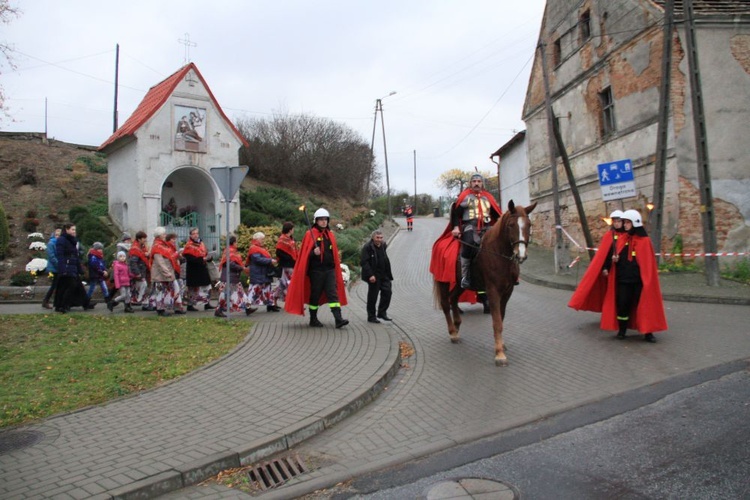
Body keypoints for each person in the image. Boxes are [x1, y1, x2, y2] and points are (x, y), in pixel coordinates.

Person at [569, 209, 667, 343]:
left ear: (634, 223)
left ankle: (648, 333)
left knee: (644, 306)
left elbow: (648, 264)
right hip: (623, 281)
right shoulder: (622, 239)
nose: (624, 225)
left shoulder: (644, 241)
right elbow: (612, 256)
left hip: (639, 282)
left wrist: (647, 281)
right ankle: (622, 331)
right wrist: (614, 261)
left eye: (627, 222)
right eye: (624, 222)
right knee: (623, 306)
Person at [285, 208, 349, 328]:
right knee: (315, 295)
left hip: (329, 270)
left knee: (333, 294)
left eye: (325, 219)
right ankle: (313, 319)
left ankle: (338, 319)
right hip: (316, 271)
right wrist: (313, 253)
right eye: (321, 220)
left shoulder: (330, 235)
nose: (324, 222)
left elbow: (333, 253)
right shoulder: (310, 234)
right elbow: (304, 255)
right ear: (316, 221)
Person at [568, 210, 626, 314]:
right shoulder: (609, 235)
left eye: (618, 221)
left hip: (624, 269)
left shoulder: (627, 235)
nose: (616, 223)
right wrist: (605, 267)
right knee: (613, 293)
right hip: (612, 269)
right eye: (615, 221)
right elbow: (605, 254)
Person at [451, 173, 503, 289]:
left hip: (487, 226)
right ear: (470, 183)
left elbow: (496, 214)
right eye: (474, 181)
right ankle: (466, 276)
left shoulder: (488, 197)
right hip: (470, 226)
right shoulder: (464, 196)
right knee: (469, 244)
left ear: (482, 183)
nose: (476, 183)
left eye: (478, 181)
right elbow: (456, 214)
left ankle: (506, 273)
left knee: (501, 244)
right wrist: (455, 227)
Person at [54, 223, 92, 313]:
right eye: (72, 229)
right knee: (71, 286)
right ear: (67, 230)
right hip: (67, 267)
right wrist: (63, 268)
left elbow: (75, 255)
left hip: (72, 266)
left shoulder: (72, 240)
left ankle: (85, 303)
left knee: (78, 286)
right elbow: (60, 255)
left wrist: (79, 269)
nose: (74, 231)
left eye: (75, 229)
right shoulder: (62, 240)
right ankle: (63, 305)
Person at [215, 235, 255, 318]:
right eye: (236, 242)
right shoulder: (229, 251)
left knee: (241, 293)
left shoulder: (231, 251)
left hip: (233, 277)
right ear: (233, 243)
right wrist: (242, 268)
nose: (237, 243)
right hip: (228, 277)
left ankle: (248, 308)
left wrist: (241, 268)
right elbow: (230, 264)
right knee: (225, 294)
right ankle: (218, 310)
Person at [360, 229, 394, 323]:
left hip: (384, 275)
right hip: (374, 276)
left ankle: (382, 313)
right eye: (377, 238)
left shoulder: (383, 245)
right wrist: (370, 275)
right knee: (373, 297)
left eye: (381, 237)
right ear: (373, 237)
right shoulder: (367, 247)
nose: (379, 239)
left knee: (387, 293)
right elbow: (364, 262)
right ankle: (371, 317)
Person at [182, 227, 215, 311]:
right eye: (194, 234)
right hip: (193, 269)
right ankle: (190, 305)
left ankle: (207, 303)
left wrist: (209, 258)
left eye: (197, 233)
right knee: (192, 288)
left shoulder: (201, 243)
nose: (196, 235)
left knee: (207, 286)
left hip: (202, 268)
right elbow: (189, 258)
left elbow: (205, 253)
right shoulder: (189, 245)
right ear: (190, 235)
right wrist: (201, 259)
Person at [246, 232, 280, 312]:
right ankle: (247, 307)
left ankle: (270, 305)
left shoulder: (257, 248)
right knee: (254, 290)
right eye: (262, 239)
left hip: (262, 273)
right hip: (258, 273)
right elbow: (258, 259)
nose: (263, 241)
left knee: (267, 289)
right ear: (257, 239)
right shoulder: (254, 248)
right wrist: (270, 261)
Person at [149, 227, 177, 317]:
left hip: (166, 273)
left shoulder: (163, 245)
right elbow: (160, 262)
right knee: (160, 291)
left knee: (166, 291)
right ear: (159, 236)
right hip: (160, 274)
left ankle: (165, 308)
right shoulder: (157, 246)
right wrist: (167, 273)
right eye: (164, 234)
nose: (165, 235)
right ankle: (160, 309)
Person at [273, 222, 298, 305]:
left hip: (291, 264)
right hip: (286, 265)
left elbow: (293, 251)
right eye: (293, 229)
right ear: (290, 230)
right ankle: (292, 302)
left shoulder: (291, 239)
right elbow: (278, 252)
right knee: (290, 284)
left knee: (282, 285)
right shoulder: (282, 239)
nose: (294, 230)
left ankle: (274, 300)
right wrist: (290, 258)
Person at [128, 231, 151, 309]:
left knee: (141, 287)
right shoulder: (135, 249)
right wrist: (137, 273)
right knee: (142, 286)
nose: (145, 240)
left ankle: (142, 303)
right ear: (139, 239)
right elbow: (133, 262)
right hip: (139, 272)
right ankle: (140, 302)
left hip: (142, 271)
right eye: (144, 238)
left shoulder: (141, 247)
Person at [166, 233, 186, 315]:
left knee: (178, 288)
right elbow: (169, 259)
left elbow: (180, 260)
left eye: (175, 239)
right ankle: (176, 307)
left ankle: (177, 307)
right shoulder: (167, 248)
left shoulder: (174, 248)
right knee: (175, 289)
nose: (174, 241)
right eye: (172, 239)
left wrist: (181, 258)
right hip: (170, 272)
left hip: (176, 271)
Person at [41, 228, 61, 309]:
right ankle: (46, 301)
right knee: (54, 285)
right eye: (56, 235)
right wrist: (59, 265)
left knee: (57, 285)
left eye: (59, 235)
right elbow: (52, 257)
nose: (58, 237)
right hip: (54, 268)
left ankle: (53, 301)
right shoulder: (51, 243)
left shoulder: (60, 244)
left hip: (58, 267)